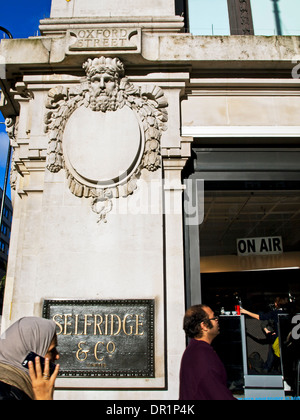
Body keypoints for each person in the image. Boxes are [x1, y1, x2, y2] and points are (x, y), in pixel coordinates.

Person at [179, 304, 236, 400]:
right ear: (204, 325)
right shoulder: (201, 354)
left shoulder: (194, 350)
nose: (217, 320)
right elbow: (217, 393)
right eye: (213, 318)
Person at [0, 317, 60, 400]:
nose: (57, 356)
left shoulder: (14, 387)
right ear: (28, 354)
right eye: (51, 350)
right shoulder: (6, 393)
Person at [240, 297, 288, 372]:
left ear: (276, 304)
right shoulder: (289, 313)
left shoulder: (275, 313)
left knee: (273, 350)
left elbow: (260, 317)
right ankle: (272, 368)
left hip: (278, 338)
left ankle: (267, 368)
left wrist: (245, 312)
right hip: (287, 337)